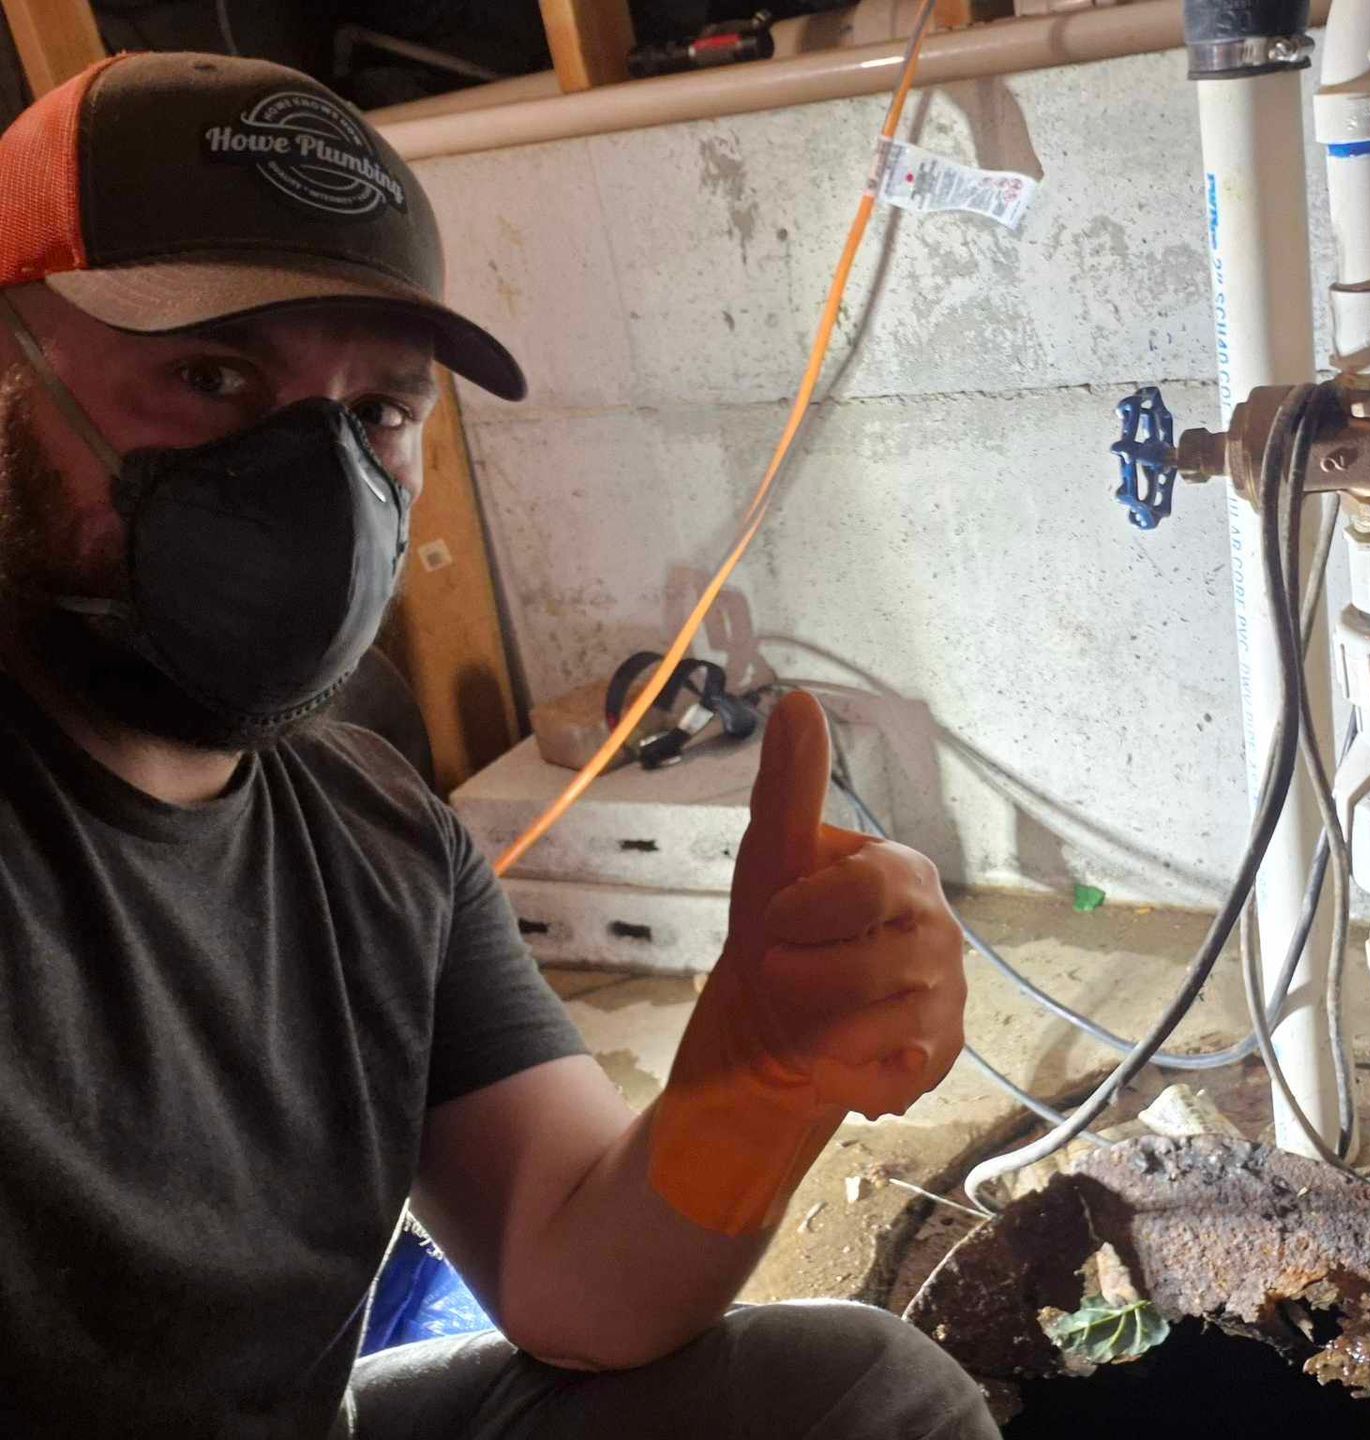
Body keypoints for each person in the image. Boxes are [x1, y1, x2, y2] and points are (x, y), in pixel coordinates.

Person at [0, 50, 988, 1439]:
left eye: (376, 414)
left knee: (864, 1400)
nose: (318, 484)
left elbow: (570, 1274)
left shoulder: (378, 840)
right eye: (211, 374)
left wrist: (755, 1089)